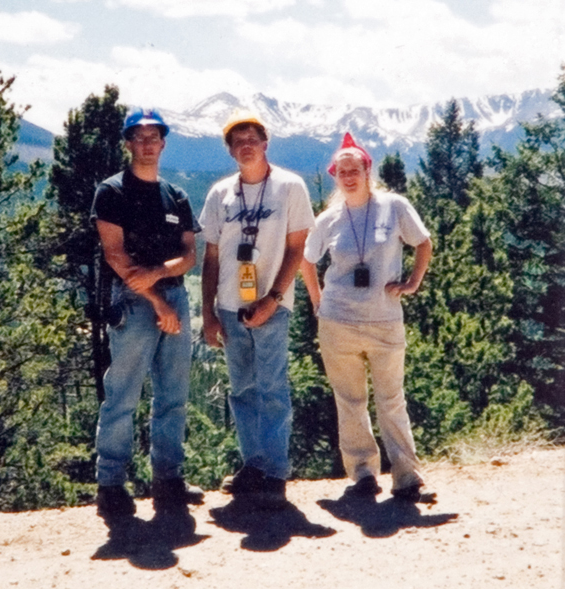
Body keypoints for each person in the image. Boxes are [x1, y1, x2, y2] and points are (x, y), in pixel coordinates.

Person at [301, 132, 432, 501]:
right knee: (350, 400)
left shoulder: (394, 206)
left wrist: (413, 283)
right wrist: (318, 301)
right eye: (341, 171)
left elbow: (423, 242)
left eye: (354, 169)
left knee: (392, 398)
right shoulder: (328, 218)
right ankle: (363, 474)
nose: (347, 176)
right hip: (338, 322)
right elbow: (306, 260)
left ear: (367, 169)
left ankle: (407, 475)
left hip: (384, 320)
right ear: (335, 176)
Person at [91, 107, 203, 520]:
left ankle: (168, 479)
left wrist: (159, 274)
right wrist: (158, 300)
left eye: (154, 137)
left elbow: (190, 255)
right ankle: (111, 484)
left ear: (163, 143)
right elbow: (115, 255)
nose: (147, 143)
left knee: (173, 393)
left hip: (173, 294)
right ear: (128, 143)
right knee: (124, 391)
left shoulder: (176, 196)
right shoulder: (113, 192)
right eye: (139, 137)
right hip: (137, 301)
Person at [200, 110, 315, 507]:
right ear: (231, 150)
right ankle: (254, 464)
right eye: (237, 140)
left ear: (265, 144)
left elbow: (297, 249)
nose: (245, 145)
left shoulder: (289, 187)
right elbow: (211, 256)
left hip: (272, 305)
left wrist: (273, 299)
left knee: (272, 388)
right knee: (243, 390)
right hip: (231, 307)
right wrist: (210, 312)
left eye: (252, 138)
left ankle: (275, 472)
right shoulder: (220, 194)